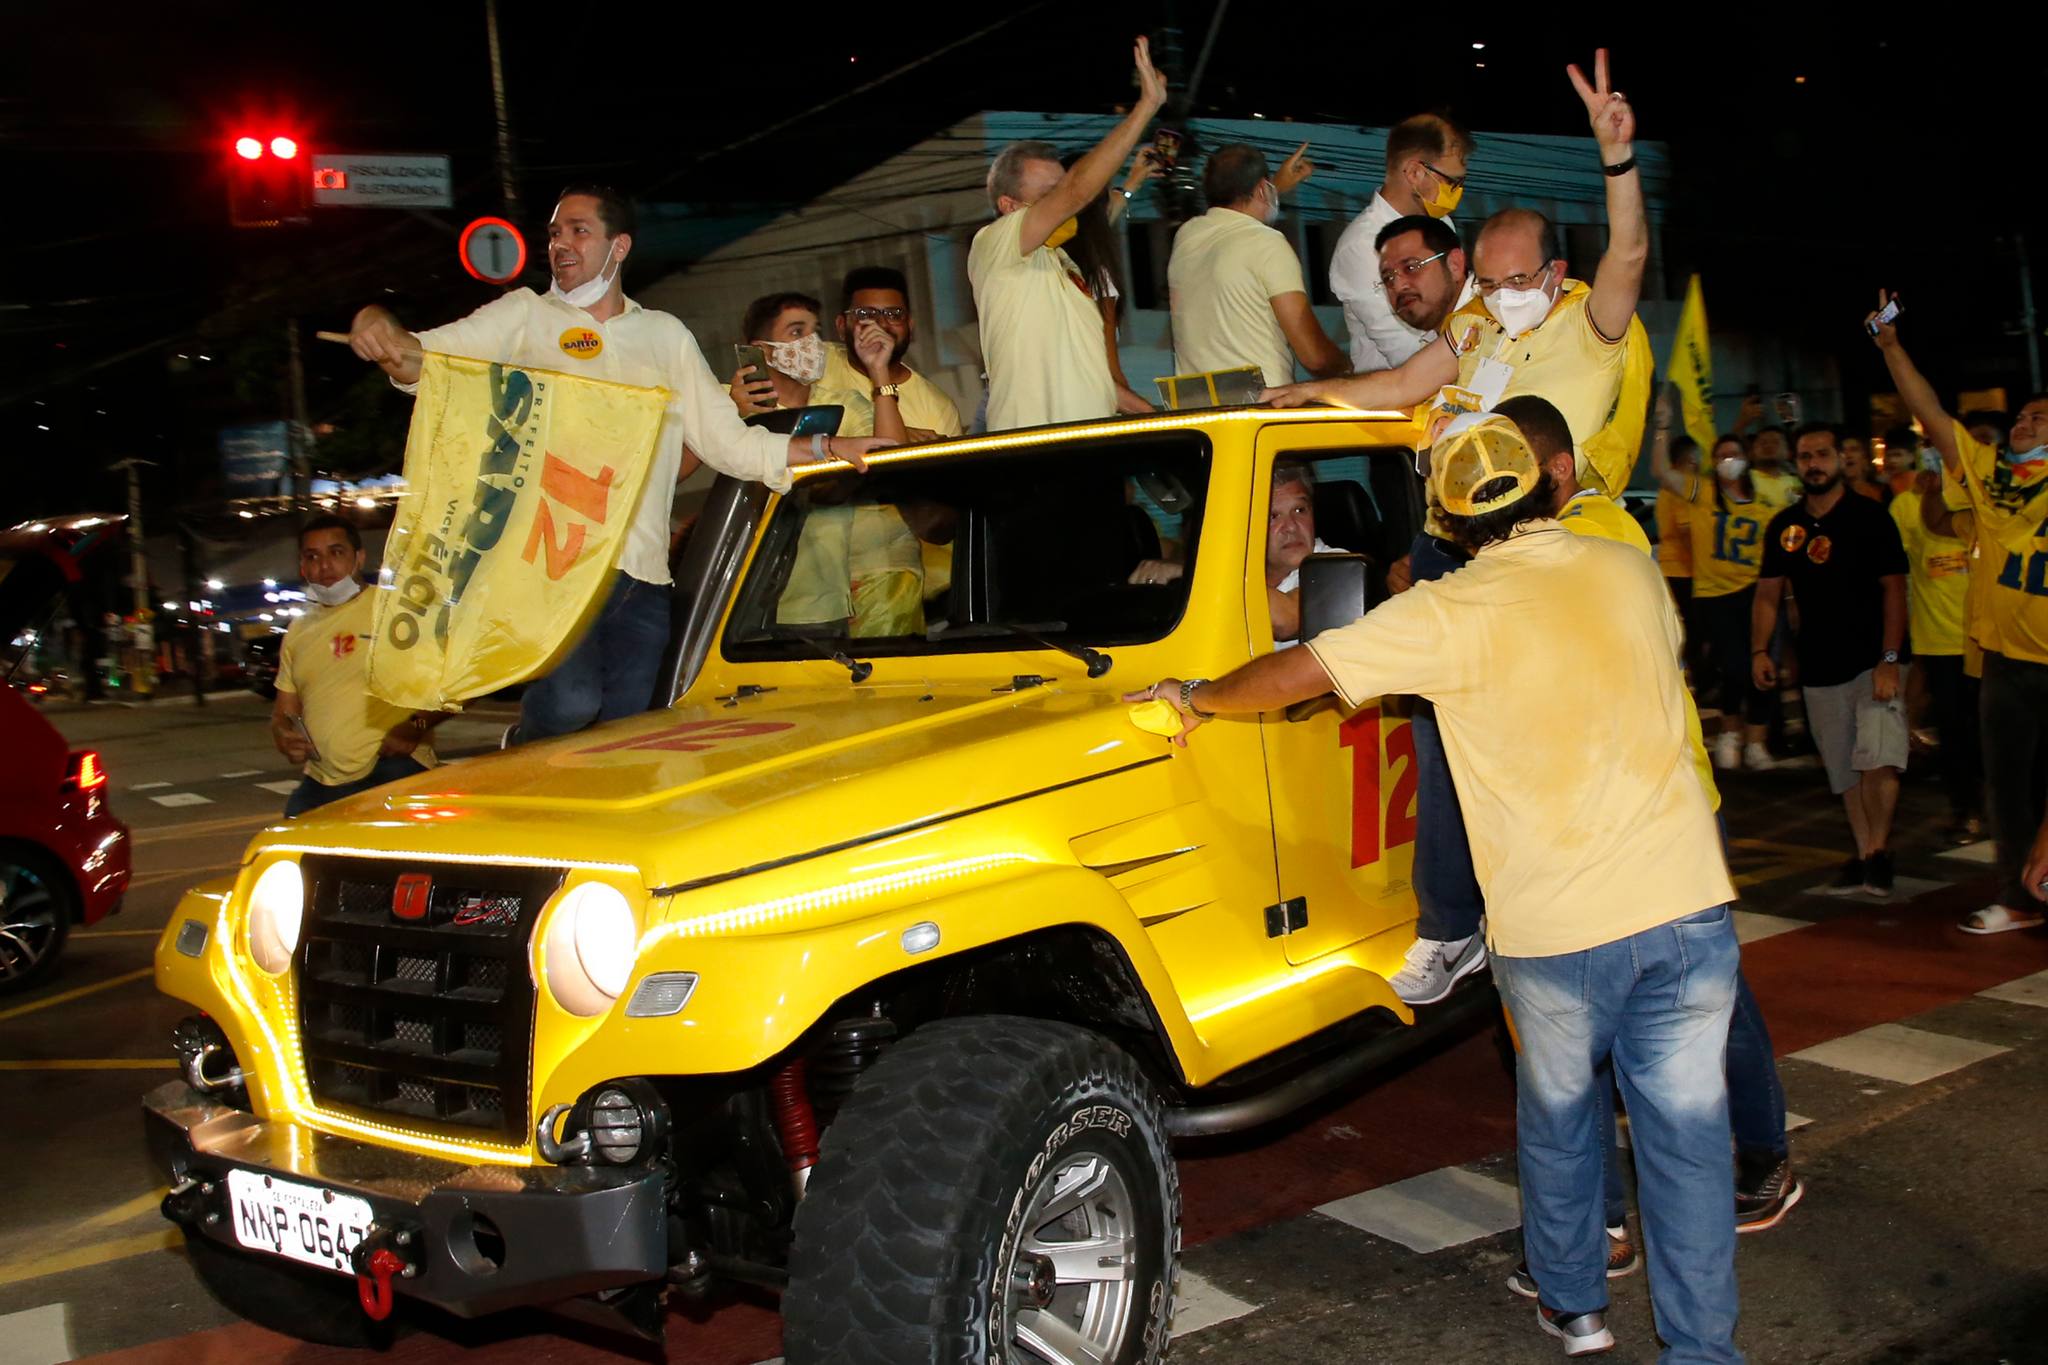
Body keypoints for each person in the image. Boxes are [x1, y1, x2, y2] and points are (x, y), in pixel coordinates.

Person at [1126, 412, 1743, 1362]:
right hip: (1685, 901)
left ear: (1447, 520)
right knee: (1688, 1139)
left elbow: (1297, 673)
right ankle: (1703, 1349)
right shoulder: (1628, 569)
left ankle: (1577, 1307)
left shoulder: (1443, 614)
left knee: (1561, 1118)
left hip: (1555, 926)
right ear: (1544, 485)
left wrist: (1193, 696)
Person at [346, 184, 889, 743]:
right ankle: (525, 748)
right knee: (570, 703)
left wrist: (830, 448)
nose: (560, 244)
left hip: (643, 574)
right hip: (550, 568)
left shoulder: (663, 336)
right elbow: (423, 361)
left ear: (619, 246)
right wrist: (375, 322)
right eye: (554, 233)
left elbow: (731, 445)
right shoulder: (524, 316)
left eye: (578, 231)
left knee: (628, 734)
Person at [1501, 395, 1801, 1290]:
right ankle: (1611, 1223)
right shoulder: (1559, 536)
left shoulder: (1593, 536)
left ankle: (1749, 1161)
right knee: (1613, 1004)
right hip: (1597, 813)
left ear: (1555, 470)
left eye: (1506, 464)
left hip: (1653, 810)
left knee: (1674, 997)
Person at [1268, 50, 1649, 488]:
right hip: (1464, 507)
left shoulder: (1588, 324)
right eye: (1488, 283)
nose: (1503, 296)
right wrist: (1311, 390)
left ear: (1556, 271)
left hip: (1548, 514)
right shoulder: (1474, 324)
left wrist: (1616, 155)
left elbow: (1628, 253)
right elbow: (1400, 384)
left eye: (1519, 280)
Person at [1868, 298, 2048, 935]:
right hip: (2004, 660)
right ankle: (2019, 898)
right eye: (2021, 415)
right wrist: (1892, 348)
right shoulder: (1992, 475)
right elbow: (1933, 416)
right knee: (2009, 786)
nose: (2023, 422)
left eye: (2038, 417)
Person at [969, 37, 1167, 430]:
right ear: (1009, 206)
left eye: (1061, 190)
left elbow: (1095, 379)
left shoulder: (1064, 265)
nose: (1065, 203)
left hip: (1085, 443)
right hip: (1036, 446)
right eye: (1049, 194)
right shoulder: (994, 243)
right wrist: (1146, 107)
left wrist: (1156, 419)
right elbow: (1078, 190)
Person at [1752, 423, 1910, 895]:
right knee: (1844, 769)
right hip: (1819, 665)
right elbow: (1767, 595)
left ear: (1842, 458)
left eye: (1822, 454)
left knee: (1879, 759)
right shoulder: (1786, 526)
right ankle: (1865, 854)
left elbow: (1895, 589)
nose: (1814, 464)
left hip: (1873, 660)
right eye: (1805, 456)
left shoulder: (1870, 516)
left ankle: (1878, 849)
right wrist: (1760, 650)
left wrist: (1889, 658)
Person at [272, 516, 445, 817]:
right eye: (312, 557)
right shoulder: (298, 631)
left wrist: (415, 726)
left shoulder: (397, 610)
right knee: (289, 839)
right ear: (303, 566)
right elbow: (283, 712)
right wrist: (284, 736)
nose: (324, 566)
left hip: (391, 768)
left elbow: (456, 684)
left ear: (360, 557)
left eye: (336, 552)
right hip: (321, 779)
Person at [1649, 421, 1799, 769]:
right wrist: (1662, 426)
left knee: (1764, 667)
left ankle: (1756, 742)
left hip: (1758, 593)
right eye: (1720, 456)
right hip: (1715, 595)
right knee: (1734, 667)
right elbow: (1661, 470)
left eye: (1733, 454)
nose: (1728, 461)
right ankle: (1731, 732)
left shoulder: (1765, 499)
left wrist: (1789, 598)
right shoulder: (1702, 492)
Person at [1167, 142, 1346, 388]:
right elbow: (1314, 357)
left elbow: (1235, 225)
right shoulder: (1268, 244)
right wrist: (1353, 372)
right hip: (1260, 405)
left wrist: (1272, 188)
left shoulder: (1187, 236)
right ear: (1262, 189)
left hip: (1198, 405)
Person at [1326, 113, 1476, 373]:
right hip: (1401, 390)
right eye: (1451, 182)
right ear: (1415, 172)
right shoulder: (1362, 246)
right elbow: (1405, 352)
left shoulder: (1441, 223)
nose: (1458, 192)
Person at [1126, 462, 1331, 647]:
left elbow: (1287, 621)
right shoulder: (1230, 572)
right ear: (1244, 526)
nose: (1291, 527)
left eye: (1300, 510)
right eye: (1273, 516)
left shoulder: (1334, 564)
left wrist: (1189, 574)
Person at [1890, 447, 1981, 841]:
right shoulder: (1907, 505)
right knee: (1955, 733)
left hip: (1989, 642)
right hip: (1941, 644)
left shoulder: (1988, 502)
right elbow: (1895, 570)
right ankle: (1966, 810)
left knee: (1994, 733)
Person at [813, 266, 965, 444]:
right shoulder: (812, 361)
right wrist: (893, 433)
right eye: (866, 314)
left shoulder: (938, 408)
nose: (882, 325)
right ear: (841, 326)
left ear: (910, 326)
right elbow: (787, 439)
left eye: (894, 314)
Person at [1058, 150, 1158, 415]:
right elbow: (1110, 371)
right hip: (1087, 409)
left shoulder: (1048, 260)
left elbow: (1095, 217)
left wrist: (1132, 181)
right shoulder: (1094, 278)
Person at [1372, 214, 1470, 346]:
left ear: (1454, 264)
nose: (1398, 286)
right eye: (1388, 278)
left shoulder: (1493, 318)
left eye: (1411, 268)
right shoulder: (1434, 340)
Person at [729, 292, 827, 418]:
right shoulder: (728, 401)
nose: (813, 341)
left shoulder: (844, 405)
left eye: (816, 331)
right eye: (797, 332)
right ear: (763, 349)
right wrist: (732, 413)